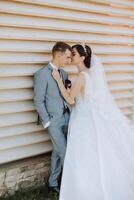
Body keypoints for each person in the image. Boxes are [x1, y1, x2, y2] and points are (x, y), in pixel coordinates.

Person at [52, 44, 134, 200]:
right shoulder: (89, 74)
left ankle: (84, 190)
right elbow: (85, 96)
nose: (71, 57)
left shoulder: (82, 76)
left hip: (82, 120)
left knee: (82, 154)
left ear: (82, 57)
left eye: (73, 54)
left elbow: (71, 100)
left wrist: (58, 81)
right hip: (90, 116)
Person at [34, 42, 72, 194]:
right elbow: (38, 100)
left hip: (67, 118)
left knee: (57, 151)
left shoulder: (63, 74)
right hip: (53, 122)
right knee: (64, 152)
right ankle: (72, 185)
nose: (69, 61)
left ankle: (52, 183)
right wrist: (47, 122)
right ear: (59, 54)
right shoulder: (42, 74)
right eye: (67, 57)